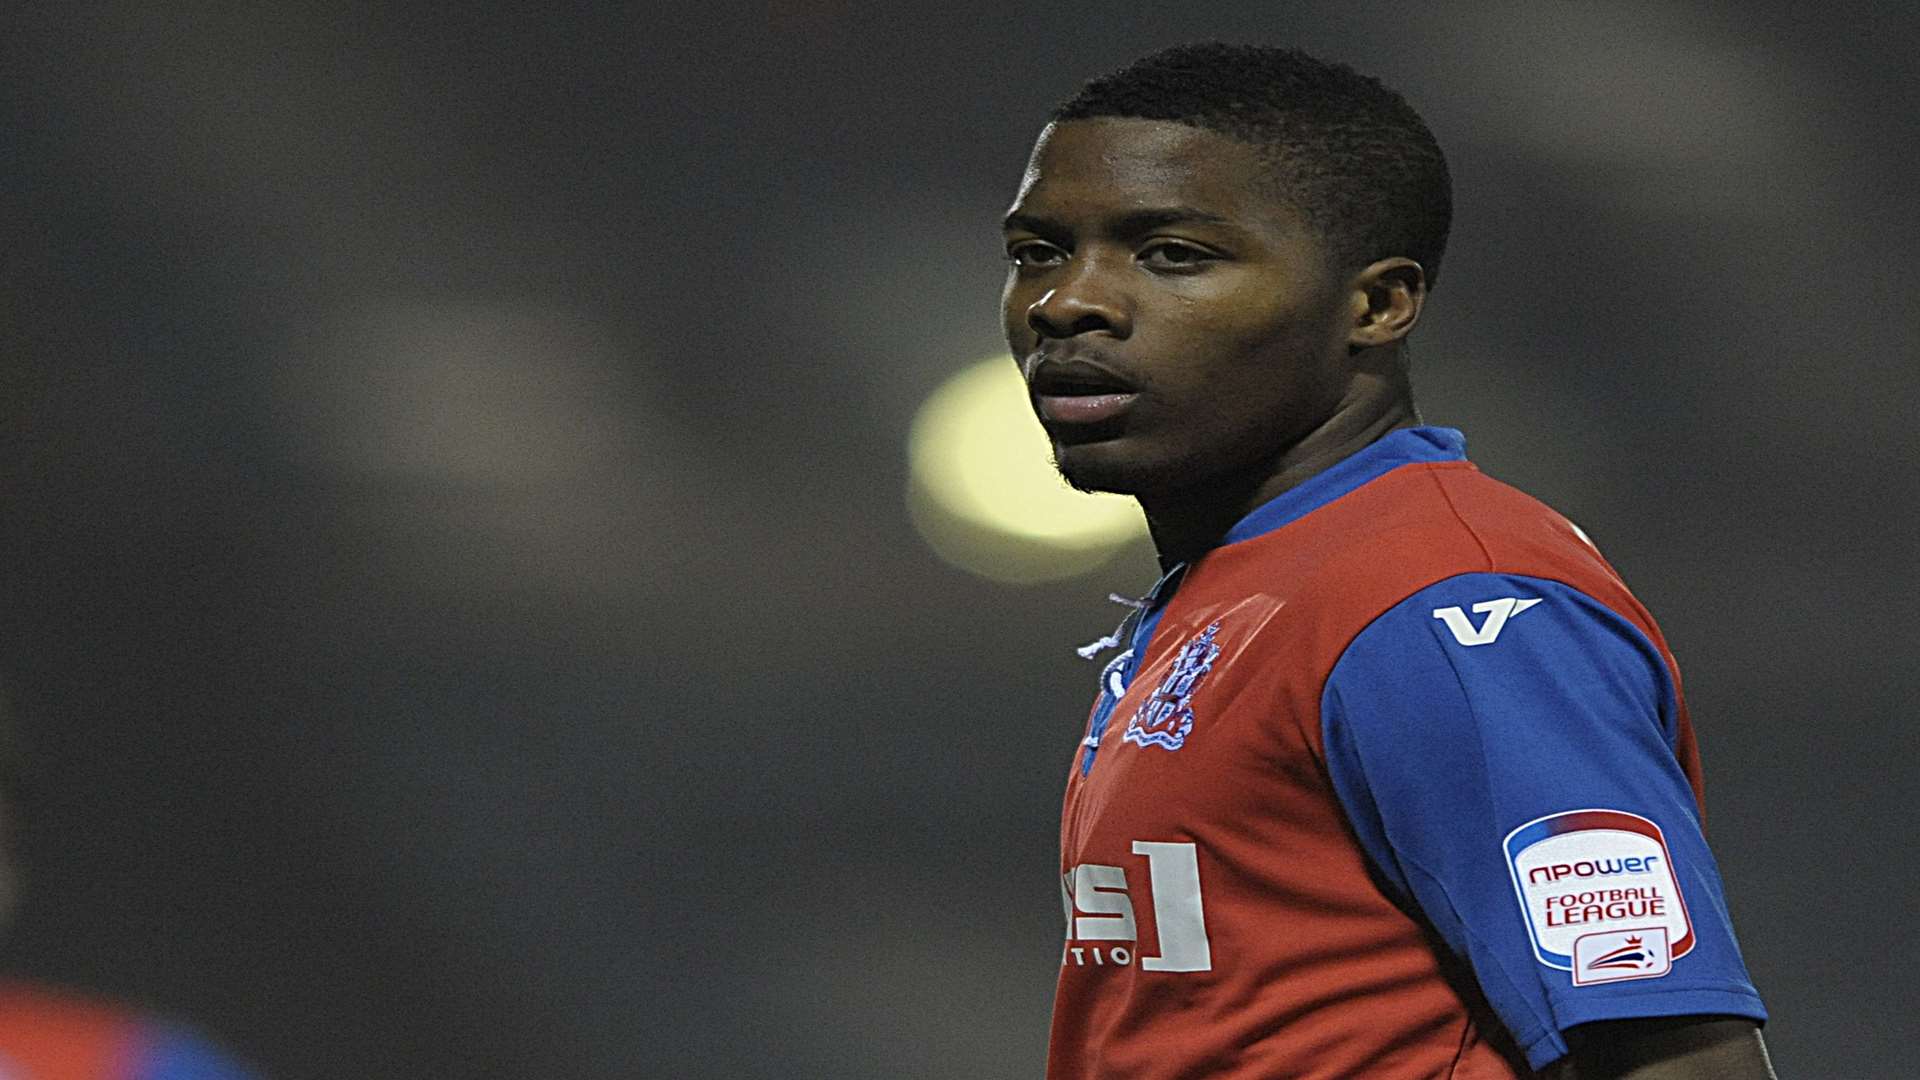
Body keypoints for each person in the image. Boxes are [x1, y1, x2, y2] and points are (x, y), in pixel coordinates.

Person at [1001, 43, 1772, 1079]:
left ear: (1375, 305)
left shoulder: (1443, 602)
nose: (1065, 303)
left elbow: (1671, 1054)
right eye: (1039, 251)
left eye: (1174, 253)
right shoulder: (1258, 585)